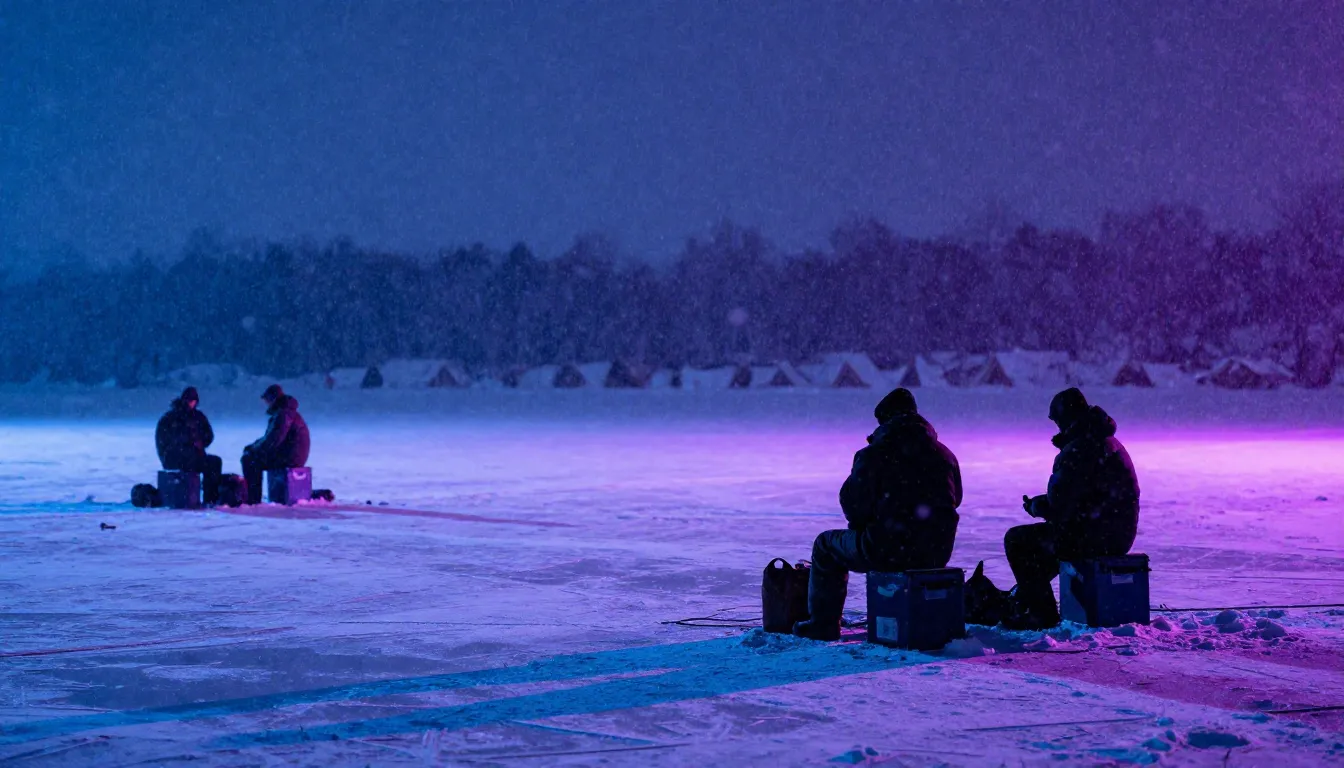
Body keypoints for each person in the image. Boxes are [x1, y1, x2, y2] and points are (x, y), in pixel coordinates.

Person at [794, 388, 962, 641]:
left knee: (825, 546)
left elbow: (854, 506)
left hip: (886, 549)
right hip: (935, 552)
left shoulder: (873, 455)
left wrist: (869, 525)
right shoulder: (945, 455)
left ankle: (822, 624)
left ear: (884, 420)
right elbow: (955, 499)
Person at [1004, 388, 1140, 629]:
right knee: (1048, 545)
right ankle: (1031, 598)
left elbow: (1060, 506)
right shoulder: (1105, 441)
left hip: (1096, 536)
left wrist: (1036, 506)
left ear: (1066, 418)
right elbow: (1078, 498)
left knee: (1018, 540)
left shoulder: (1080, 449)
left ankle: (1040, 612)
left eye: (1057, 421)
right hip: (1115, 533)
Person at [241, 384, 311, 505]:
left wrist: (253, 450)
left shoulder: (283, 414)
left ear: (272, 399)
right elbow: (270, 438)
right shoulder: (286, 412)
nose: (266, 404)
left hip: (289, 457)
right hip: (293, 455)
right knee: (252, 455)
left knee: (249, 460)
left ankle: (253, 499)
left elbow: (273, 440)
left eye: (267, 400)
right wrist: (254, 446)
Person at [155, 386, 223, 505]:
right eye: (189, 400)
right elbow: (164, 441)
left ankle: (210, 499)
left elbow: (209, 435)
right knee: (196, 463)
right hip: (174, 458)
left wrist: (200, 442)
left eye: (193, 401)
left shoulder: (198, 416)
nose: (191, 404)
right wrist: (186, 444)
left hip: (194, 456)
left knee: (214, 462)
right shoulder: (170, 418)